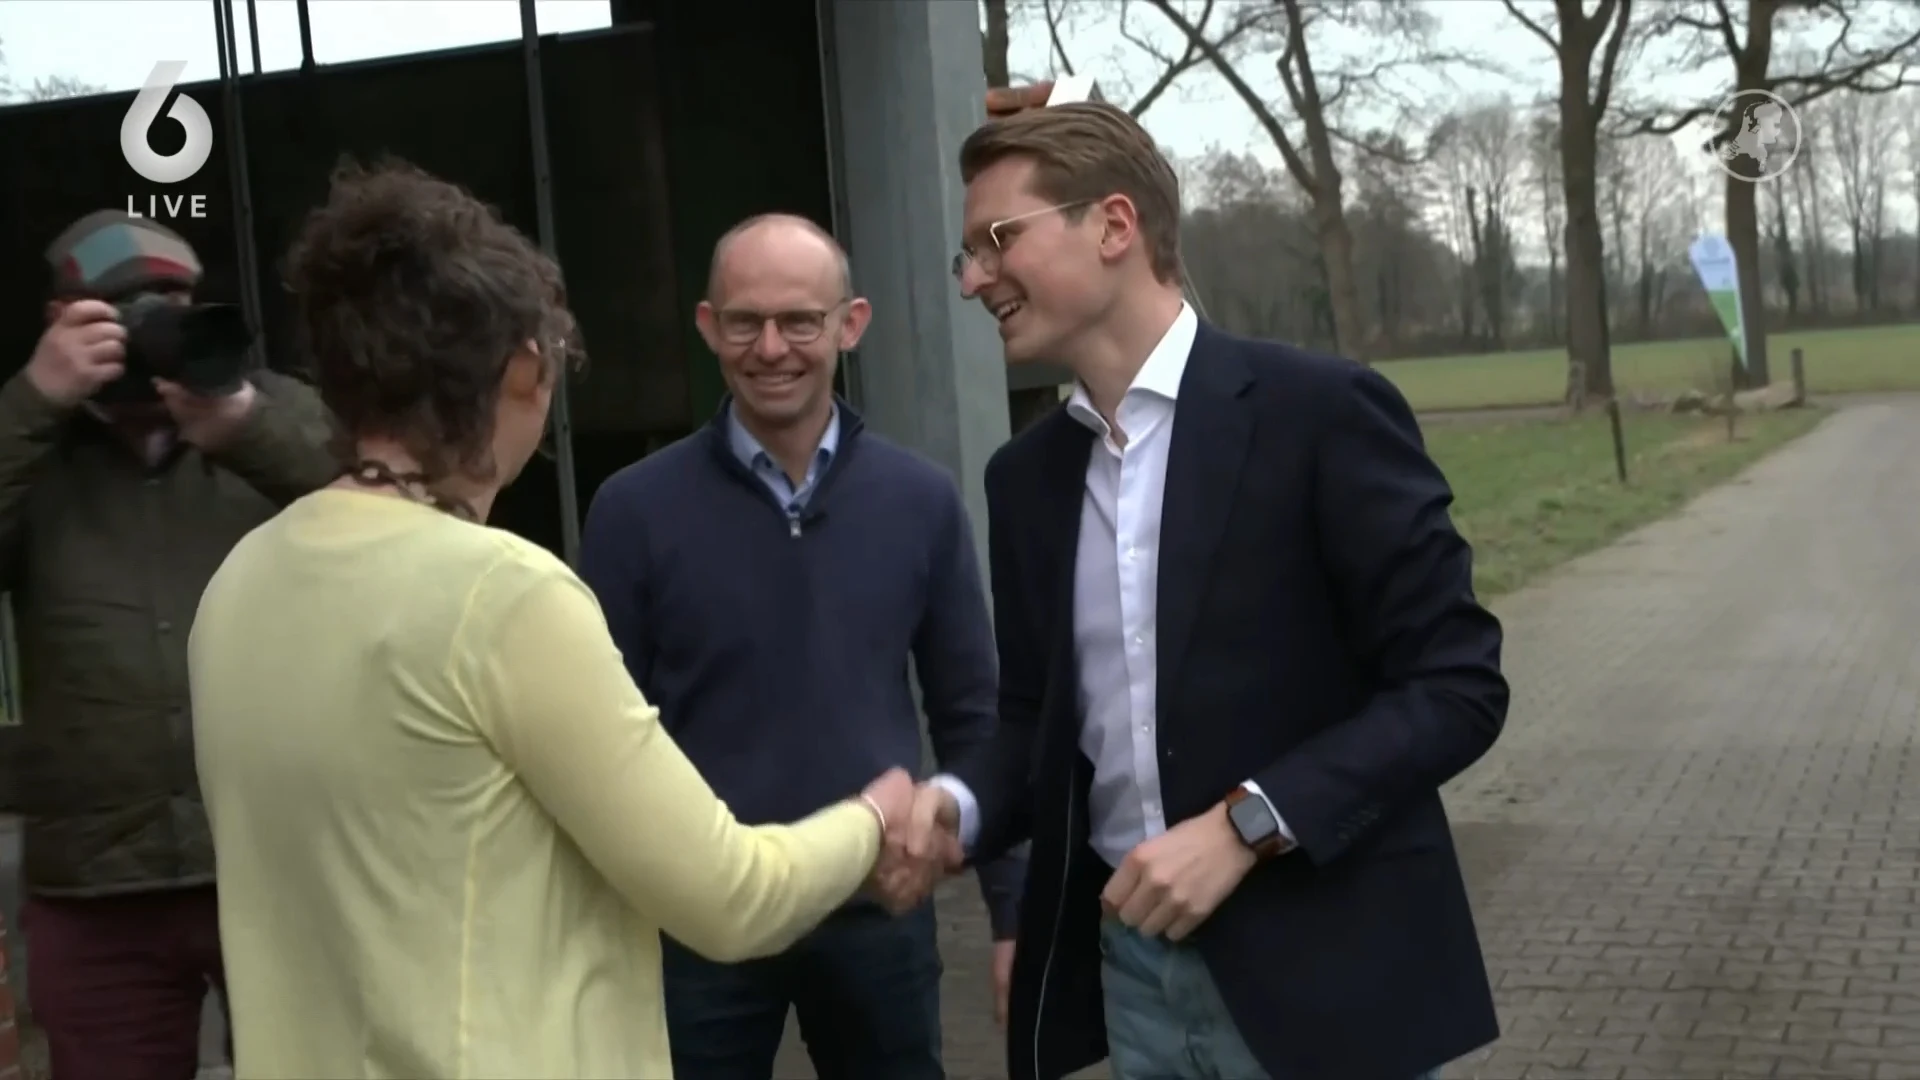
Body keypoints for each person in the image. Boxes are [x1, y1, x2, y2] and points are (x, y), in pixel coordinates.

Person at [186, 161, 927, 1079]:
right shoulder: (500, 593)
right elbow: (732, 898)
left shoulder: (237, 584)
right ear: (526, 370)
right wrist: (873, 815)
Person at [901, 98, 1510, 1079]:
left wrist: (1247, 826)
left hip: (1333, 978)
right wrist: (955, 807)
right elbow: (1035, 725)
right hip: (1135, 979)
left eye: (997, 240)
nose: (975, 279)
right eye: (967, 255)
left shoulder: (1320, 414)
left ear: (1113, 225)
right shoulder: (1027, 481)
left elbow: (1456, 686)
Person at [578, 212, 1024, 1080]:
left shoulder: (920, 501)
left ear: (850, 324)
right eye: (744, 322)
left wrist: (1010, 913)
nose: (771, 347)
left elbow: (973, 712)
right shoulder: (633, 512)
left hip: (877, 908)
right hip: (697, 923)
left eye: (800, 322)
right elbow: (603, 737)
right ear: (709, 327)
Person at [0, 210, 336, 1080]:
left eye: (173, 305)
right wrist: (36, 399)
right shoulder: (30, 443)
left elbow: (391, 515)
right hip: (98, 882)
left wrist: (245, 429)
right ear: (63, 320)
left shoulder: (275, 413)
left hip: (279, 858)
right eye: (126, 310)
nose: (154, 328)